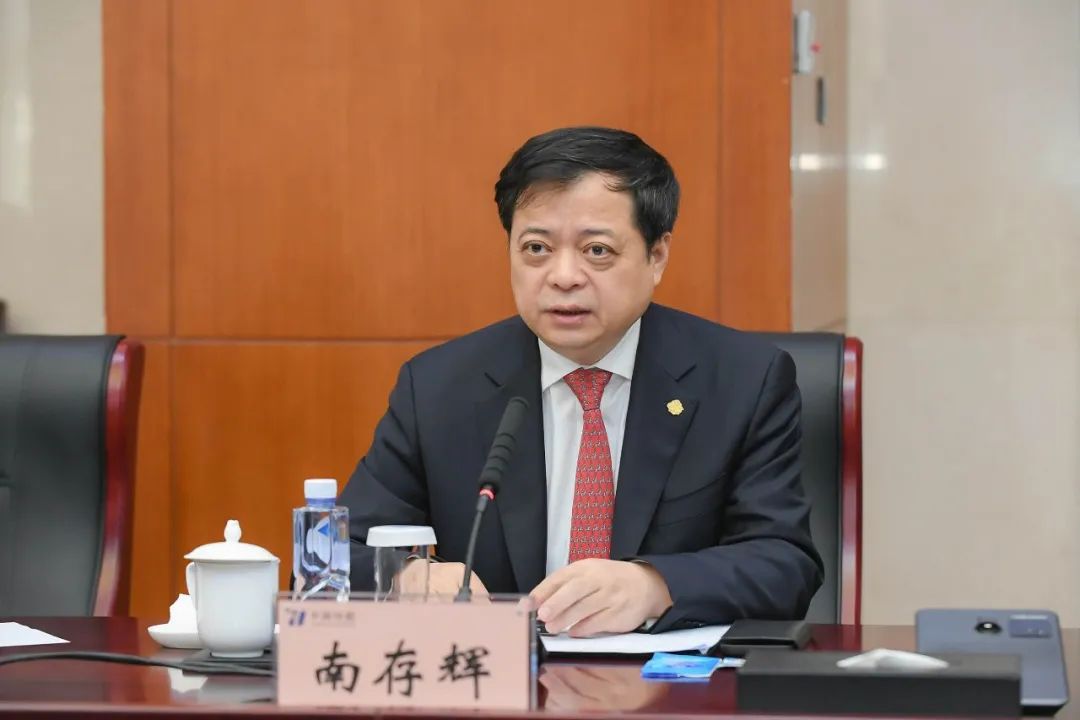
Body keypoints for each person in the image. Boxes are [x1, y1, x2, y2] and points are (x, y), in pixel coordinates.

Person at [340, 126, 822, 636]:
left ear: (656, 256)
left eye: (596, 251)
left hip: (665, 680)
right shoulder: (439, 387)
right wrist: (407, 577)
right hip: (498, 677)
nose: (563, 276)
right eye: (536, 248)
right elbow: (335, 554)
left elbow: (785, 564)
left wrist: (655, 585)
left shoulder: (742, 380)